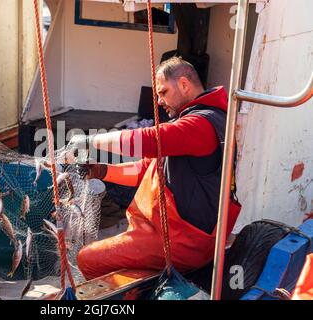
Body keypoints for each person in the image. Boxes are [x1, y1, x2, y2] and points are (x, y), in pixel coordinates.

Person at [67, 57, 241, 280]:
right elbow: (145, 171)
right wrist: (102, 171)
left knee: (87, 258)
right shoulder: (206, 121)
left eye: (163, 92)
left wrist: (90, 141)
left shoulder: (200, 124)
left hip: (182, 242)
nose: (159, 101)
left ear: (184, 84)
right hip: (186, 237)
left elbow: (148, 140)